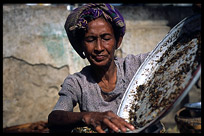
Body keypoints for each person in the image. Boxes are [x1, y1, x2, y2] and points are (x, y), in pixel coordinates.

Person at [48, 3, 164, 133]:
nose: (99, 48)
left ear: (117, 41)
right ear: (81, 46)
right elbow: (55, 118)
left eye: (106, 38)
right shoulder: (78, 83)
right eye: (90, 39)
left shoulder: (136, 66)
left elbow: (169, 54)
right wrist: (88, 116)